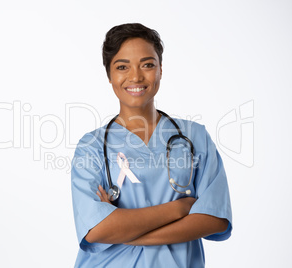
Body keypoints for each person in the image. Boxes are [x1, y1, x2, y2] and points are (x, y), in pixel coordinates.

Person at [70, 23, 232, 268]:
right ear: (109, 75)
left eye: (147, 64)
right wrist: (180, 208)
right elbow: (95, 230)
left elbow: (215, 219)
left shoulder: (194, 137)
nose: (135, 76)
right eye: (122, 67)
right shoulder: (91, 147)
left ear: (160, 70)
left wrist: (125, 230)